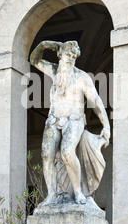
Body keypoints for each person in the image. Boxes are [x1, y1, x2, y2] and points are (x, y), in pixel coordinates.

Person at [30, 39, 110, 205]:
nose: (71, 58)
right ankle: (52, 194)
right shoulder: (54, 71)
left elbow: (95, 100)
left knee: (67, 152)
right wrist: (44, 45)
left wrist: (106, 125)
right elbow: (34, 60)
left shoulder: (82, 77)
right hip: (54, 119)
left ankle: (78, 192)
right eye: (68, 54)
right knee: (46, 155)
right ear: (60, 54)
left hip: (74, 119)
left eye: (74, 55)